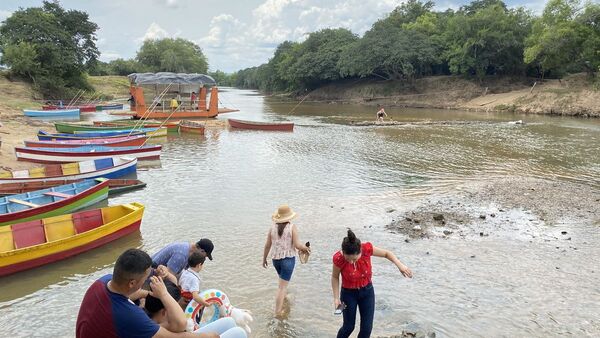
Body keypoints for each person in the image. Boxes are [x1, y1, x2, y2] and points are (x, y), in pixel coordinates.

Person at [76, 248, 216, 337]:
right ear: (132, 283)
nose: (148, 280)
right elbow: (180, 324)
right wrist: (164, 294)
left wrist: (147, 294)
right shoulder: (129, 315)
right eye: (146, 277)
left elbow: (129, 296)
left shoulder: (102, 282)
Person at [331, 229, 413, 338]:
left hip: (367, 292)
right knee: (349, 327)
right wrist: (336, 298)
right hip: (348, 294)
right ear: (343, 252)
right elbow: (335, 277)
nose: (351, 262)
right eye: (348, 259)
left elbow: (387, 253)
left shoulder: (366, 249)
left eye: (354, 259)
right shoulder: (339, 258)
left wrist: (400, 265)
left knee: (367, 329)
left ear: (360, 251)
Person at [144, 280, 246, 338]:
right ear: (165, 312)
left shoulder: (146, 322)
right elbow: (181, 324)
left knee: (229, 321)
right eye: (178, 308)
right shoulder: (164, 328)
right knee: (239, 333)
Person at [262, 205, 310, 317]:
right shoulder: (292, 227)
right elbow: (298, 245)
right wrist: (306, 248)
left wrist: (264, 259)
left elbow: (267, 245)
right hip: (288, 260)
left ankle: (283, 299)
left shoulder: (272, 228)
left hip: (276, 261)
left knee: (282, 283)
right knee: (282, 287)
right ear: (289, 217)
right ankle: (277, 312)